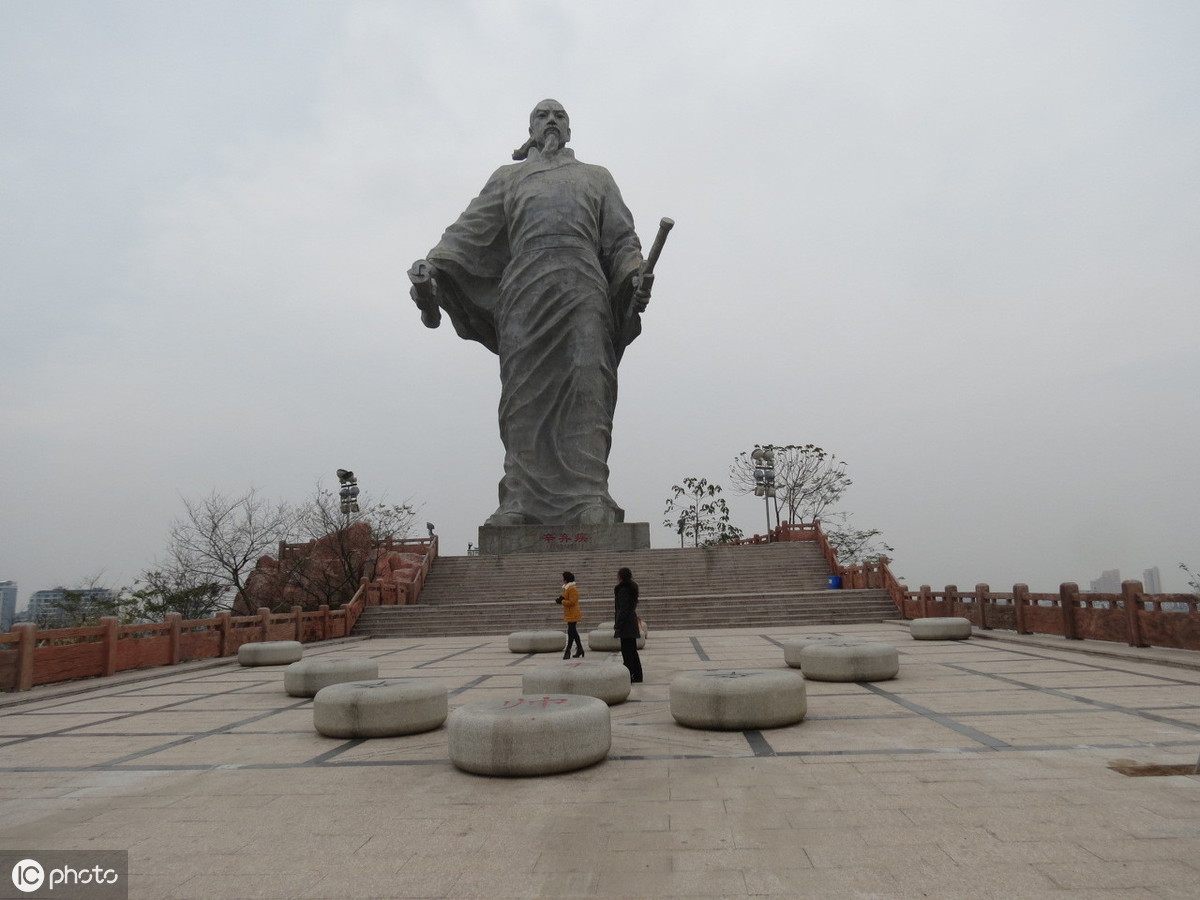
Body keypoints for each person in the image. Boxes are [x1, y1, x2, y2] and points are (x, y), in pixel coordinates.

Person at [409, 99, 652, 527]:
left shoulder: (596, 178)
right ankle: (518, 500)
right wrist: (434, 266)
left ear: (570, 131)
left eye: (559, 115)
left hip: (582, 292)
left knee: (586, 385)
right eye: (543, 115)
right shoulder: (508, 178)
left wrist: (634, 273)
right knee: (522, 398)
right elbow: (467, 232)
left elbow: (622, 242)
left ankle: (589, 496)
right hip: (524, 293)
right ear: (531, 130)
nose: (552, 120)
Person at [613, 566, 642, 683]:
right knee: (632, 650)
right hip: (631, 621)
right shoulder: (632, 588)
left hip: (626, 624)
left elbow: (623, 609)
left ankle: (629, 675)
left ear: (620, 577)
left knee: (627, 652)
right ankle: (638, 675)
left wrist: (618, 624)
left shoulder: (623, 590)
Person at [559, 570, 583, 659]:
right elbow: (566, 597)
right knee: (573, 632)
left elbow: (572, 602)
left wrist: (562, 601)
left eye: (563, 579)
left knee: (570, 632)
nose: (562, 580)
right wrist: (561, 599)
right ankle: (580, 649)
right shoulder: (567, 588)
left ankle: (567, 651)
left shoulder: (572, 588)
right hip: (570, 613)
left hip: (573, 614)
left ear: (566, 580)